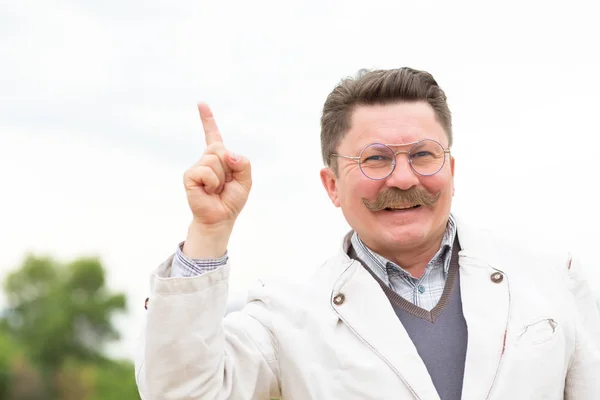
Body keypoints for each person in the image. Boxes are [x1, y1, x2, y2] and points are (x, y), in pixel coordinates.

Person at [135, 68, 600, 399]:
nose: (402, 179)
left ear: (452, 171)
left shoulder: (552, 279)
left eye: (423, 154)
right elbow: (180, 392)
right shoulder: (284, 316)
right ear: (332, 185)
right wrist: (209, 232)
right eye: (375, 159)